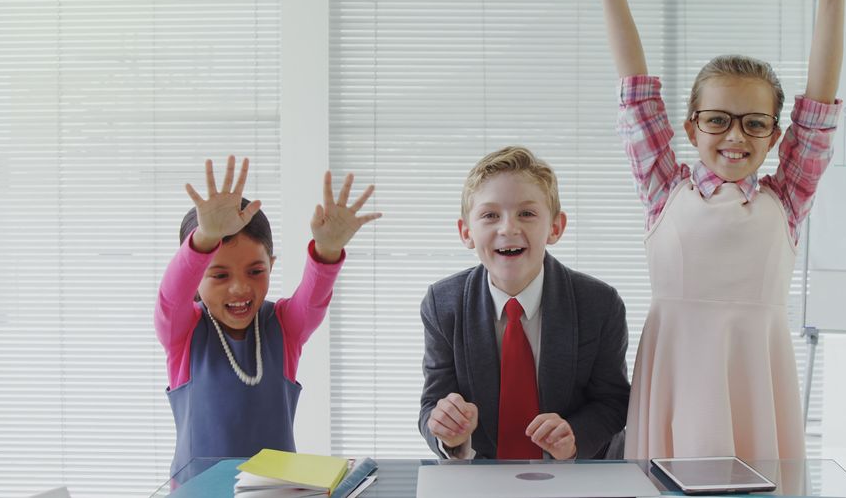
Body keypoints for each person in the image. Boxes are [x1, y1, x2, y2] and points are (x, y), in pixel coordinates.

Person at [586, 0, 846, 460]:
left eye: (755, 123)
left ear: (774, 136)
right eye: (718, 121)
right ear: (692, 129)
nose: (735, 136)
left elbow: (819, 107)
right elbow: (637, 92)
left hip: (755, 376)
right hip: (677, 372)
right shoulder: (664, 189)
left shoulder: (788, 197)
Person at [155, 155, 380, 474]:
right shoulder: (184, 331)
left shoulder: (283, 325)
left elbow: (313, 300)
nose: (239, 288)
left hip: (276, 490)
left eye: (255, 271)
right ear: (196, 277)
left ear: (271, 265)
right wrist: (204, 239)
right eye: (219, 275)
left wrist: (327, 250)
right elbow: (170, 297)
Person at [418, 146, 630, 460]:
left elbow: (612, 401)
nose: (508, 228)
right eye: (490, 215)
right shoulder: (443, 304)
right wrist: (450, 435)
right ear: (466, 233)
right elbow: (432, 405)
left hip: (574, 477)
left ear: (555, 228)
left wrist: (573, 437)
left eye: (527, 214)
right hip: (482, 479)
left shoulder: (599, 304)